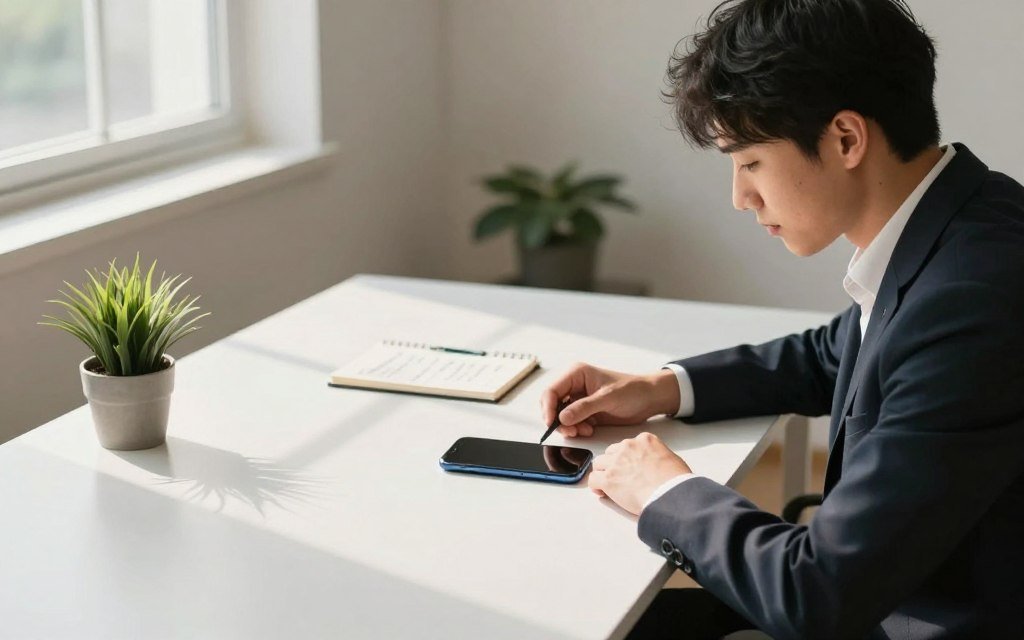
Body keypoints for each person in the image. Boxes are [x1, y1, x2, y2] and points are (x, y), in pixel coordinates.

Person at [539, 1, 1024, 638]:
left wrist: (665, 489)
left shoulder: (971, 298)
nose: (740, 197)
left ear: (846, 139)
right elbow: (838, 351)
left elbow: (815, 594)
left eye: (750, 163)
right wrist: (664, 387)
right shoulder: (968, 217)